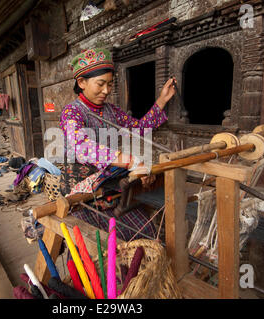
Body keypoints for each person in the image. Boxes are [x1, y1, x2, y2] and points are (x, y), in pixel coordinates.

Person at [58, 48, 177, 241]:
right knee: (96, 248)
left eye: (110, 84)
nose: (106, 90)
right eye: (100, 84)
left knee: (144, 233)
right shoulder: (72, 112)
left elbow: (138, 128)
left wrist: (162, 100)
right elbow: (81, 146)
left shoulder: (111, 111)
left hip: (111, 186)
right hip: (85, 193)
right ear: (81, 82)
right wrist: (131, 162)